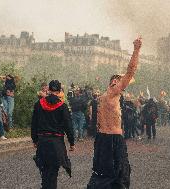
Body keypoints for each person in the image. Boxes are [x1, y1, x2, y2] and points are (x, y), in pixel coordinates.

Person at [87, 37, 142, 189]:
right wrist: (136, 50)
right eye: (121, 81)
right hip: (113, 139)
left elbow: (93, 119)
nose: (125, 83)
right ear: (116, 82)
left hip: (102, 139)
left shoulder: (103, 97)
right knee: (120, 176)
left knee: (101, 174)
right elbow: (131, 70)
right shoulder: (113, 92)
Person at [31, 80, 75, 189]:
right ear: (60, 91)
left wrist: (35, 140)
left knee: (45, 171)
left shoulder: (39, 104)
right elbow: (68, 126)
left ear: (49, 90)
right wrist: (71, 142)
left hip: (42, 141)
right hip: (56, 143)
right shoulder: (62, 106)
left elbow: (34, 124)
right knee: (53, 173)